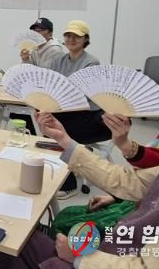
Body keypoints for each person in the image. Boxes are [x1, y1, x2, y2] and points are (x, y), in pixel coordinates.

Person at [0, 80, 159, 269]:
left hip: (109, 260)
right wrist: (64, 139)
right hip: (114, 249)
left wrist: (80, 257)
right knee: (18, 241)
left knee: (17, 246)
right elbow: (125, 181)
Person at [51, 65, 159, 236]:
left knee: (71, 226)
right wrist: (116, 197)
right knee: (68, 215)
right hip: (141, 197)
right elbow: (143, 181)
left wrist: (125, 145)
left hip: (155, 215)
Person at [46, 20, 110, 199]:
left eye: (76, 36)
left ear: (85, 39)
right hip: (64, 110)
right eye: (68, 35)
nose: (71, 39)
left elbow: (85, 95)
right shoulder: (58, 60)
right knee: (45, 121)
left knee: (59, 132)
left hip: (88, 114)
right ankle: (57, 170)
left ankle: (69, 184)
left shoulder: (91, 62)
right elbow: (51, 83)